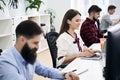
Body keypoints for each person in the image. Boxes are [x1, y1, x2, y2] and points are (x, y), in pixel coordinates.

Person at [0, 20, 79, 80]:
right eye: (35, 43)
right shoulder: (6, 62)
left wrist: (64, 75)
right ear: (22, 40)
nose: (37, 47)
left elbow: (45, 70)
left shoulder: (27, 54)